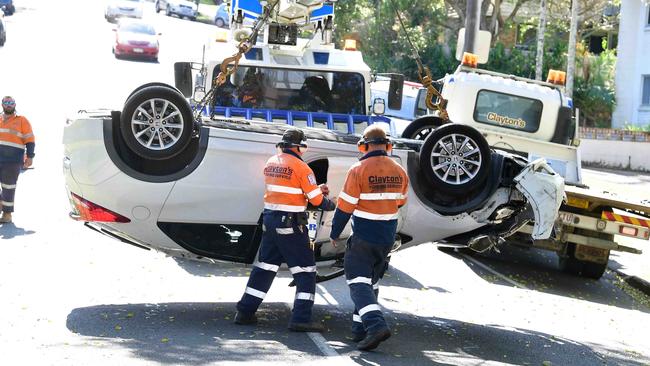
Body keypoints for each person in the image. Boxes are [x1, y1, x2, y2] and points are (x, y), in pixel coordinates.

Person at [235, 128, 336, 332]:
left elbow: (288, 193)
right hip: (291, 225)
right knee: (306, 271)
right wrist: (328, 202)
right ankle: (301, 319)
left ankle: (244, 311)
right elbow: (315, 200)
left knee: (265, 267)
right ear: (299, 147)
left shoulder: (272, 162)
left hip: (271, 221)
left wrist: (315, 190)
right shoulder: (302, 167)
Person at [329, 125, 408, 351]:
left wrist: (335, 233)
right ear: (388, 145)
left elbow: (345, 207)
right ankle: (359, 330)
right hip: (387, 236)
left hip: (364, 234)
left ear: (364, 145)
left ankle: (375, 326)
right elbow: (400, 202)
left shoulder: (358, 169)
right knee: (371, 282)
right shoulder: (400, 170)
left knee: (357, 282)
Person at [0, 96, 35, 224]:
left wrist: (30, 156)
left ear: (15, 105)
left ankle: (7, 214)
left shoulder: (22, 120)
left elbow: (30, 139)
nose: (9, 105)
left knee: (8, 187)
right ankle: (1, 203)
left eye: (11, 103)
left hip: (12, 161)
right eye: (6, 102)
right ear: (2, 105)